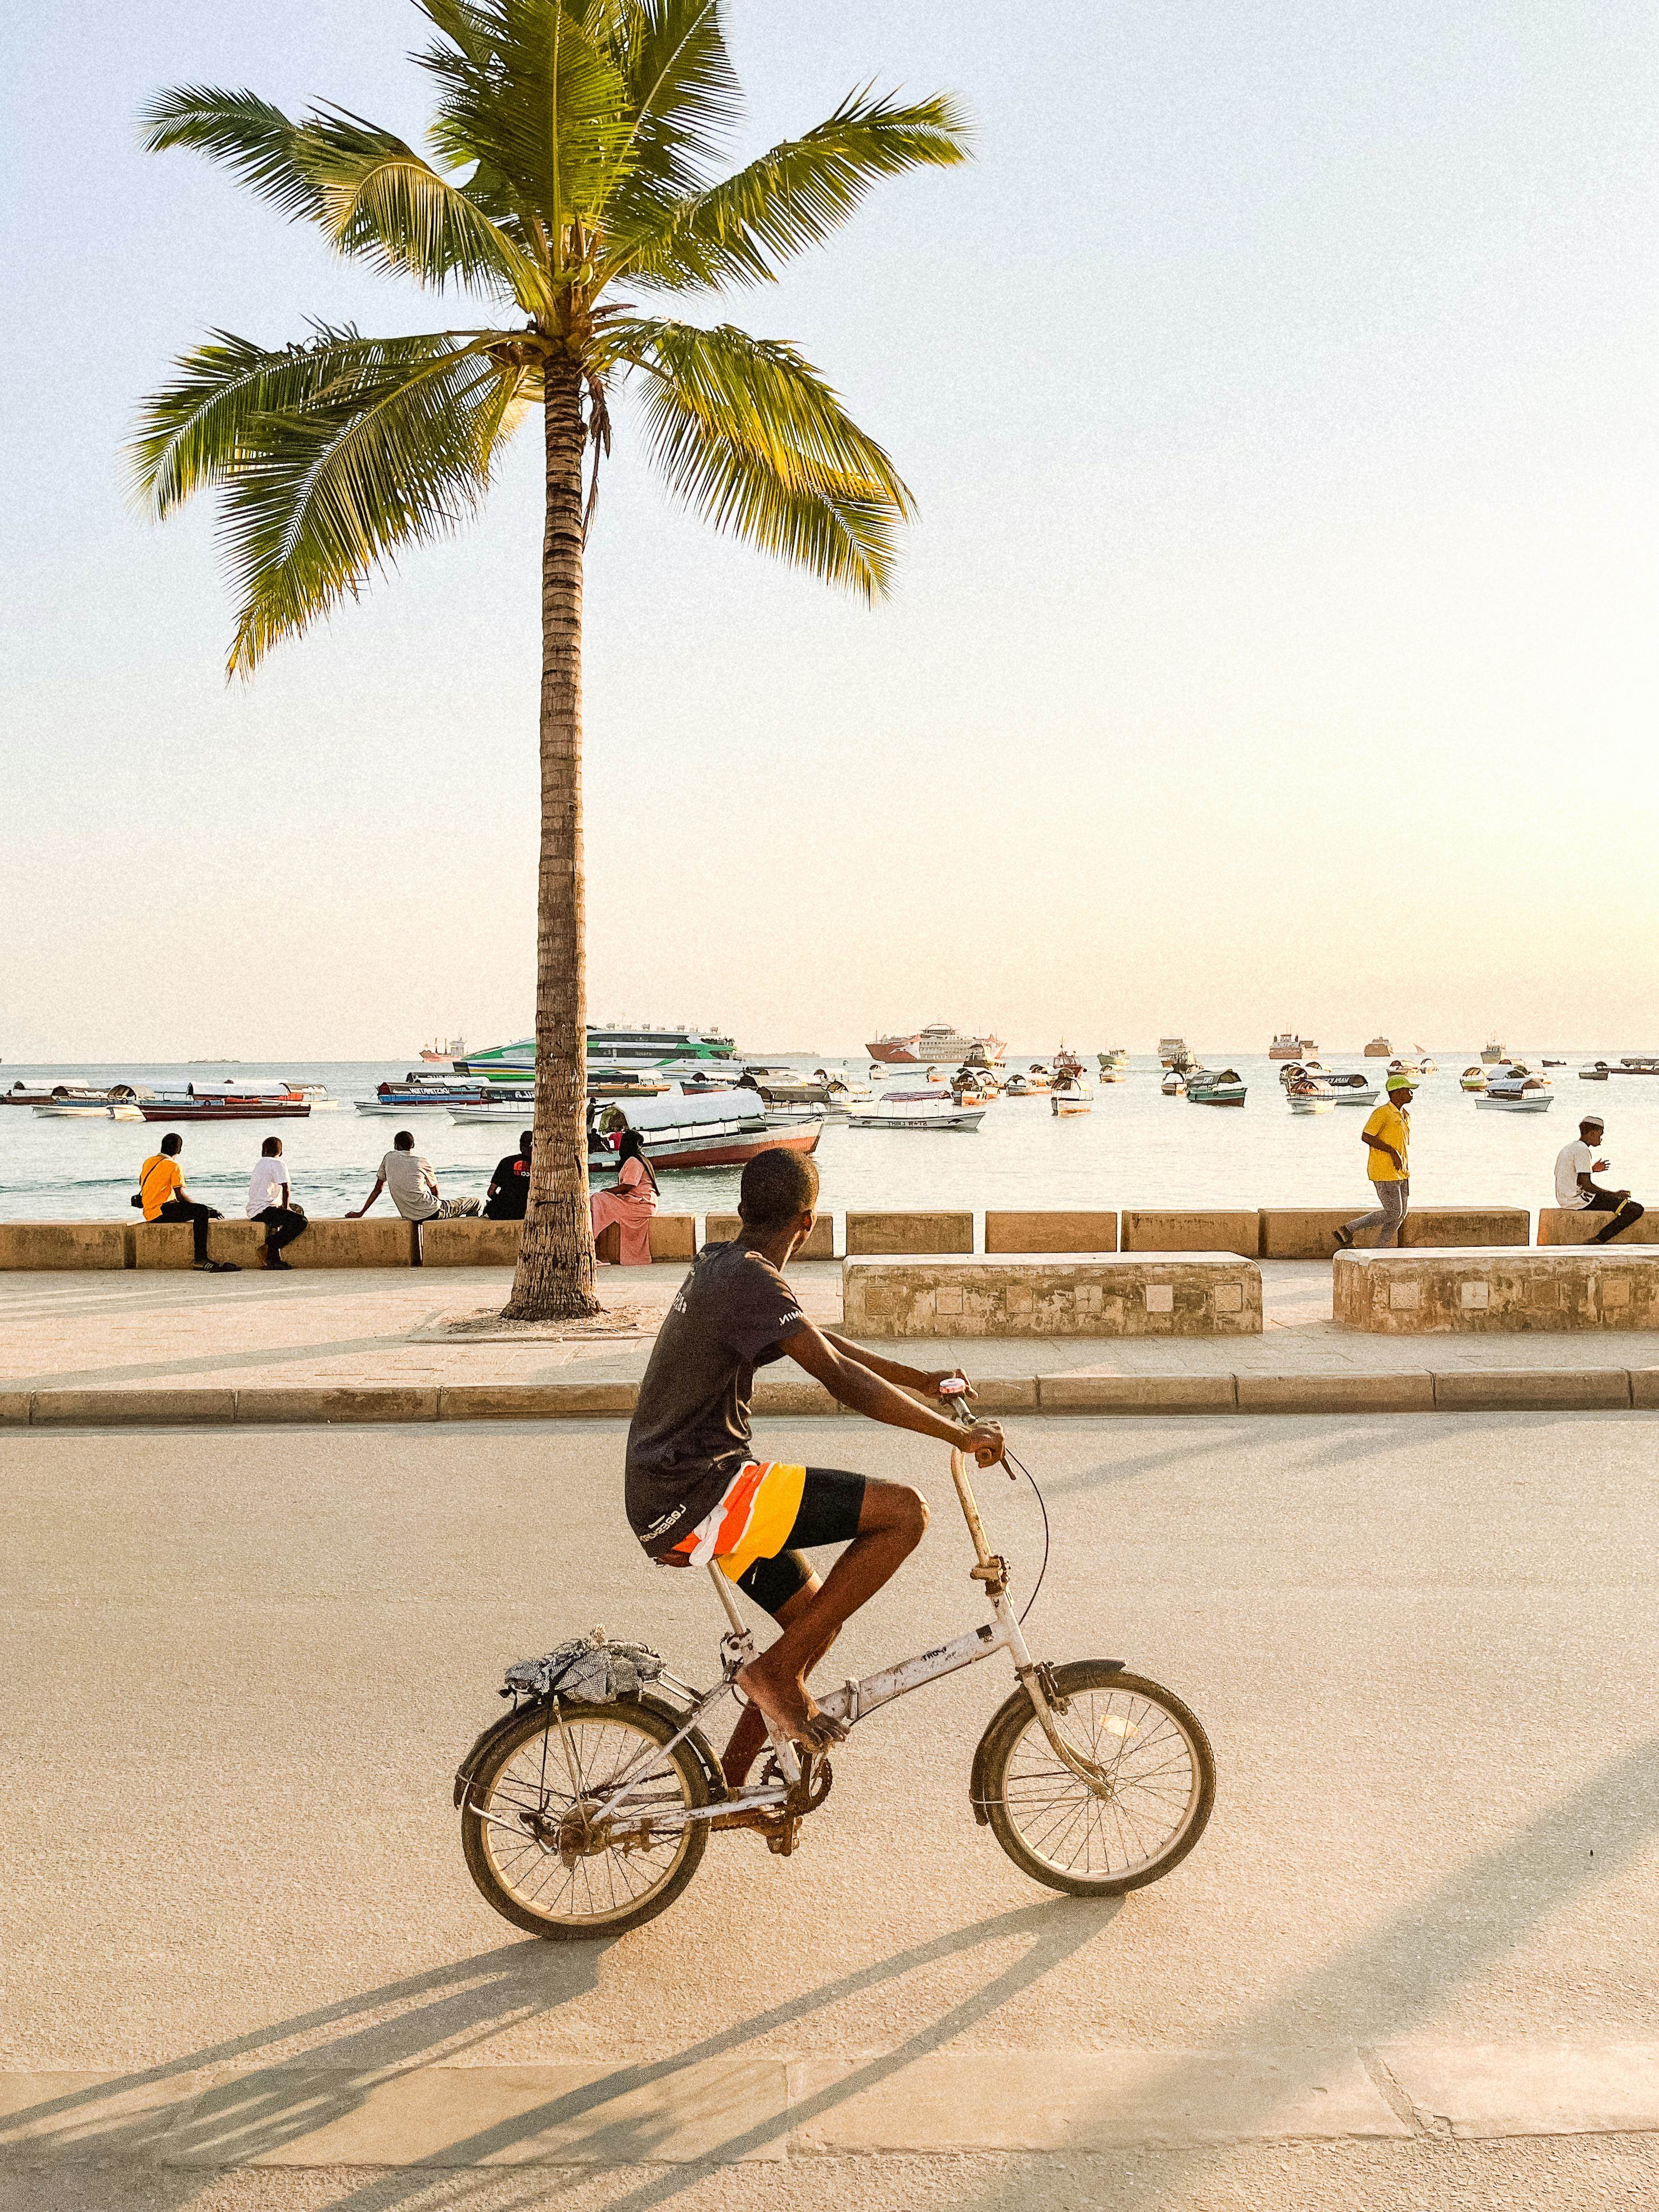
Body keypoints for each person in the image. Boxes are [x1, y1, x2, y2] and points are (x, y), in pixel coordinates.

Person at [624, 1146, 1005, 1785]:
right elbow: (838, 1376)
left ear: (743, 1208)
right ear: (807, 1219)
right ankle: (773, 1676)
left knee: (808, 1625)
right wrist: (958, 1437)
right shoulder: (751, 1279)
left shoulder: (724, 1263)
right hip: (701, 1493)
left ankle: (733, 1783)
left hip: (677, 1490)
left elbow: (820, 1343)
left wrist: (924, 1380)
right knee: (904, 1512)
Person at [1334, 1069, 1417, 1250]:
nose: (1412, 1093)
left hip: (1402, 1171)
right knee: (1393, 1212)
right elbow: (1367, 1136)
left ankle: (1381, 1248)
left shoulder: (1405, 1115)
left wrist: (1400, 1158)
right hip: (1384, 1171)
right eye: (1408, 1090)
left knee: (1401, 1214)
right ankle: (1348, 1229)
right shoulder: (1382, 1113)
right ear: (1397, 1093)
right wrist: (1392, 1152)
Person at [138, 1132, 238, 1272]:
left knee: (199, 1209)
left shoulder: (149, 1162)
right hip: (161, 1211)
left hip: (149, 1212)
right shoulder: (174, 1166)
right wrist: (206, 1210)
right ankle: (200, 1259)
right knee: (201, 1211)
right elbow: (180, 1196)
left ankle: (201, 1256)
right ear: (179, 1150)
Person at [348, 1129, 480, 1222]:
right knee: (475, 1202)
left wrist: (361, 1213)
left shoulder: (389, 1158)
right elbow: (434, 1190)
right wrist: (439, 1208)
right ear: (413, 1145)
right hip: (432, 1211)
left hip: (409, 1215)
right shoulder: (422, 1162)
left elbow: (378, 1189)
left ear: (396, 1146)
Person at [1554, 1116, 1645, 1243]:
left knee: (1619, 1203)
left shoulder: (1570, 1148)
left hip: (1566, 1199)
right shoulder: (1583, 1151)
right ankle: (1599, 1239)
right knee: (1635, 1210)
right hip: (1578, 1200)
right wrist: (1614, 1194)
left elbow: (1574, 1178)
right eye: (1599, 1135)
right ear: (1592, 1134)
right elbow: (1587, 1186)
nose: (1601, 1139)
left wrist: (1592, 1169)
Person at [590, 1128, 659, 1265]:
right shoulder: (641, 1158)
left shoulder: (634, 1161)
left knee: (598, 1200)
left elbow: (628, 1186)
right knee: (600, 1204)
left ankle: (601, 1254)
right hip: (641, 1202)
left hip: (641, 1205)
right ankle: (600, 1254)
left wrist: (609, 1190)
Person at [245, 1136, 308, 1269]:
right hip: (265, 1210)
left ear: (263, 1151)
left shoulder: (259, 1164)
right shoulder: (278, 1164)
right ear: (280, 1152)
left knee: (290, 1214)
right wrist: (285, 1210)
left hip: (255, 1211)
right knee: (301, 1221)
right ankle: (269, 1246)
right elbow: (286, 1189)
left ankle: (273, 1258)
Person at [483, 1131, 534, 1221]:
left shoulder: (506, 1162)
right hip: (525, 1213)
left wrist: (502, 1203)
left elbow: (491, 1192)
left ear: (521, 1147)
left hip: (503, 1213)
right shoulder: (541, 1168)